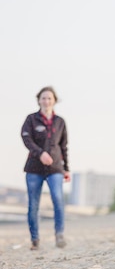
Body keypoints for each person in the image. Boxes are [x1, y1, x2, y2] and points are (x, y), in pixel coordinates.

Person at [21, 86, 71, 250]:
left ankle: (59, 235)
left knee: (58, 200)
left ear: (54, 101)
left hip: (55, 168)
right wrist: (40, 153)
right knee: (33, 205)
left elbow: (64, 146)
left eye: (49, 98)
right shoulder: (31, 119)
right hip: (34, 168)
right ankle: (35, 240)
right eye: (43, 98)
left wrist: (67, 168)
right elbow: (26, 139)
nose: (46, 101)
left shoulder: (60, 122)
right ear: (39, 100)